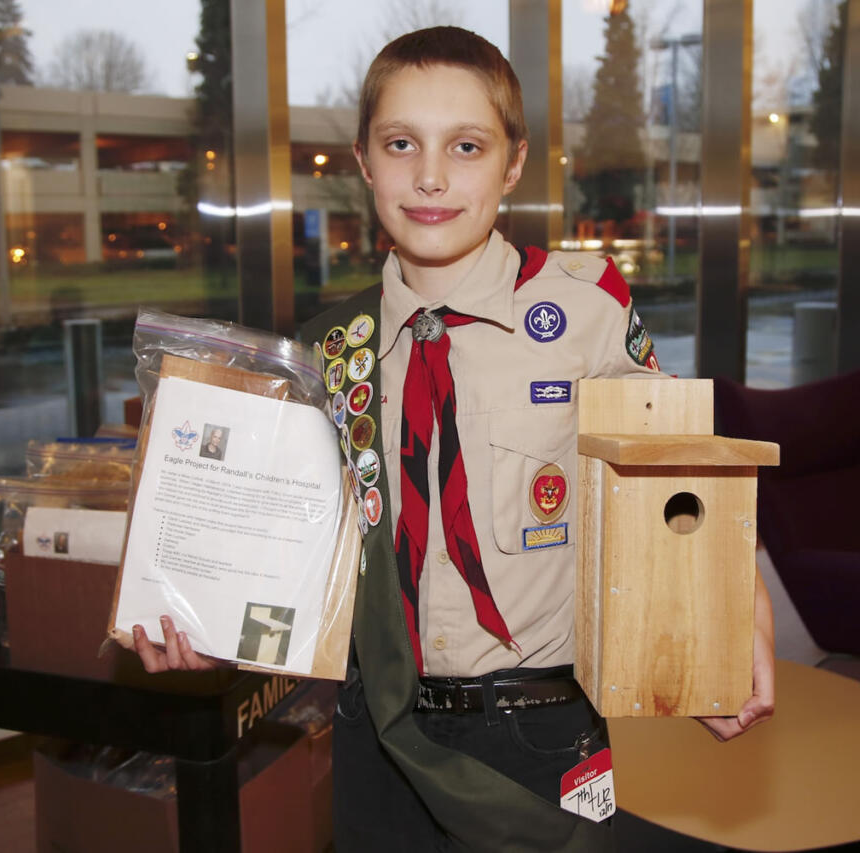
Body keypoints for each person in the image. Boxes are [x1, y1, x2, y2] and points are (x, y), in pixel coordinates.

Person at [133, 26, 774, 852]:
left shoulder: (585, 312)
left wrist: (735, 621)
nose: (430, 176)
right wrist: (203, 616)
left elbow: (679, 480)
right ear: (364, 161)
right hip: (379, 732)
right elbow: (296, 554)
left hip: (543, 729)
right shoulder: (329, 350)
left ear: (512, 163)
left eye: (465, 146)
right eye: (401, 144)